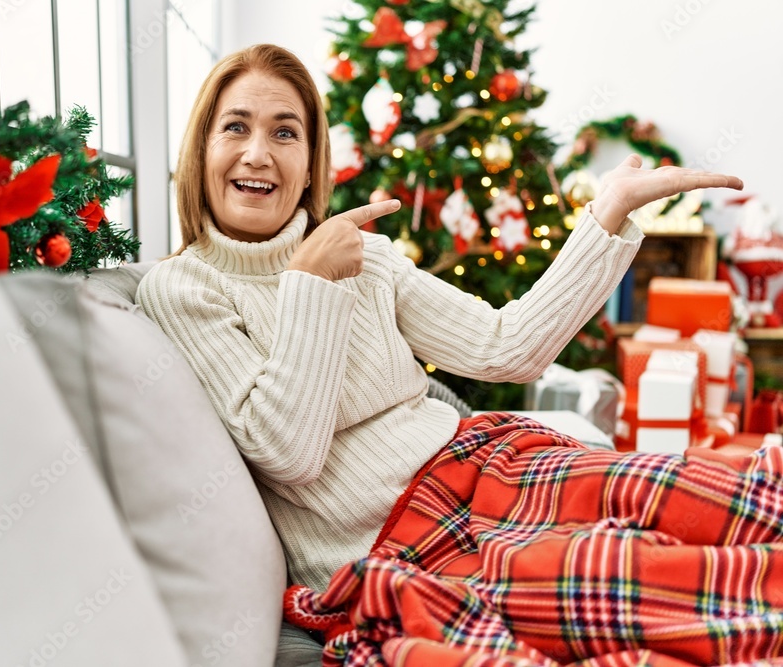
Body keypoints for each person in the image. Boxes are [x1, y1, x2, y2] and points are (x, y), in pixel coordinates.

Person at [138, 44, 777, 662]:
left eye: (284, 133)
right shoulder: (183, 287)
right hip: (406, 545)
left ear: (310, 164)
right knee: (655, 579)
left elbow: (508, 347)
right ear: (202, 150)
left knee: (706, 493)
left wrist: (605, 212)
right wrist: (309, 282)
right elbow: (289, 451)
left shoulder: (369, 256)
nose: (257, 153)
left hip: (487, 466)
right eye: (236, 128)